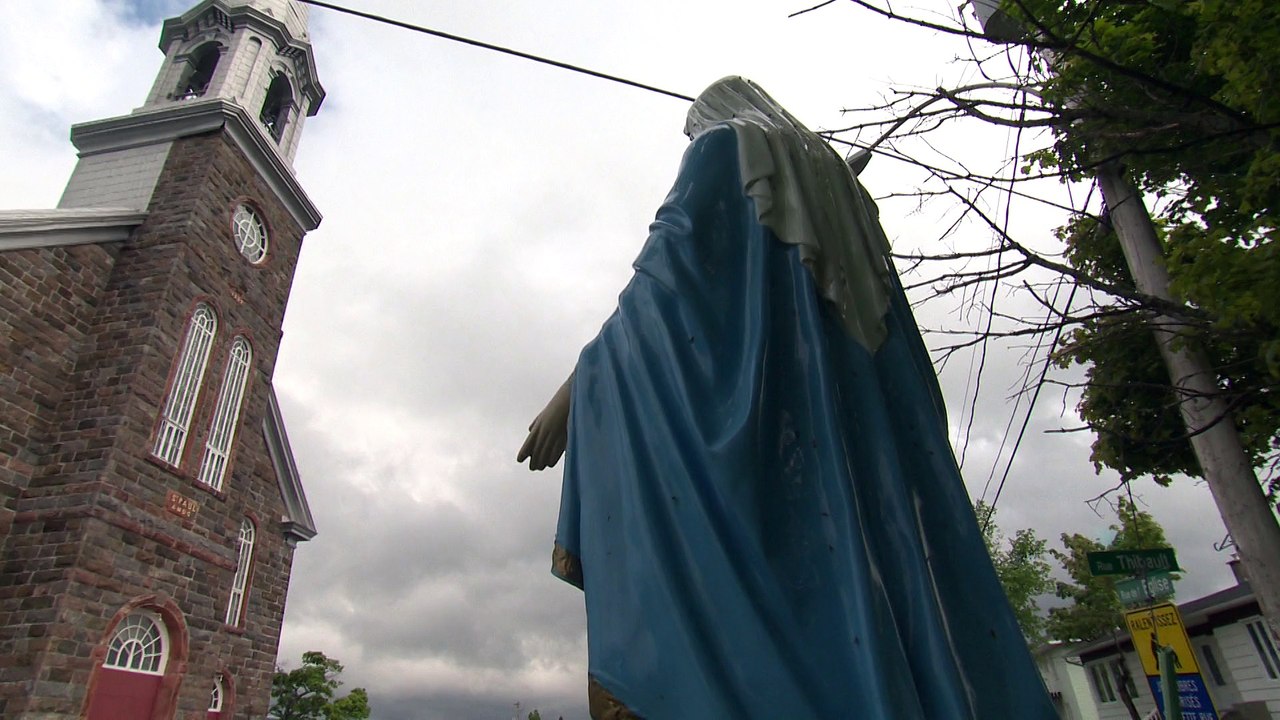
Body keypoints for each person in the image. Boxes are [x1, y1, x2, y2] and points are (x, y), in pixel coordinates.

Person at [519, 77, 1056, 719]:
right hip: (846, 473)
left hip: (772, 481)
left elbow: (661, 291)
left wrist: (574, 393)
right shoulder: (844, 199)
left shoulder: (724, 148)